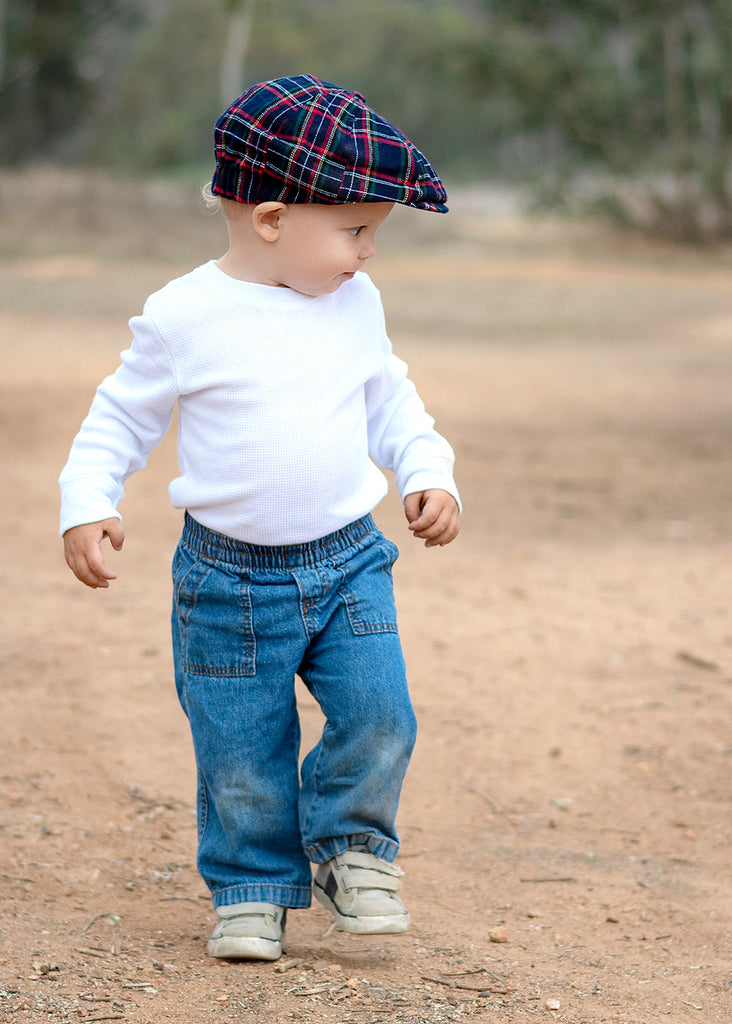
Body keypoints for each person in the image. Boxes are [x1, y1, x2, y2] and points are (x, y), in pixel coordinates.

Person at [59, 74, 461, 962]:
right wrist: (88, 499)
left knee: (382, 713)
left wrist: (427, 469)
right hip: (228, 580)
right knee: (240, 746)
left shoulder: (355, 304)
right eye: (355, 231)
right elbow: (119, 418)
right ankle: (250, 888)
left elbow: (391, 399)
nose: (368, 254)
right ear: (273, 218)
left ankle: (353, 850)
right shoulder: (185, 315)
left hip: (350, 561)